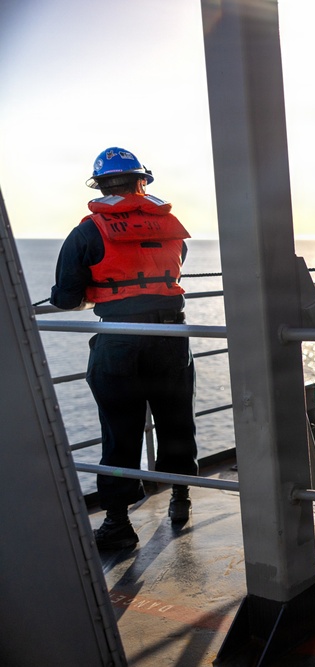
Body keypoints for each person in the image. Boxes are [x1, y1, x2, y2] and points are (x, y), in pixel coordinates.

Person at [50, 147, 199, 550]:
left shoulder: (88, 232)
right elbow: (174, 266)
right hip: (170, 339)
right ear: (142, 182)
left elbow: (66, 298)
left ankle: (117, 522)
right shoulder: (169, 227)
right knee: (176, 422)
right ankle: (181, 497)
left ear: (100, 185)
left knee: (120, 433)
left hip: (118, 341)